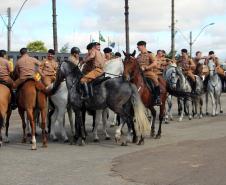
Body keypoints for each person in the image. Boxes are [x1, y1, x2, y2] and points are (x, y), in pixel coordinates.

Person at [136, 41, 161, 105]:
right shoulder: (138, 56)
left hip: (148, 73)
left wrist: (146, 67)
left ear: (143, 46)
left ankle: (157, 97)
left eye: (138, 46)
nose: (137, 47)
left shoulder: (150, 54)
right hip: (139, 74)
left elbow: (155, 63)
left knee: (155, 81)